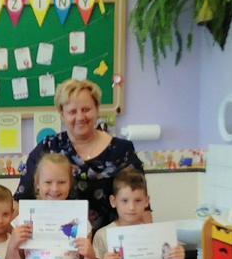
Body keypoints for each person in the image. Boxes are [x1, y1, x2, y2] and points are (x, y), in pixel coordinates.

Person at [15, 79, 144, 235]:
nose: (80, 117)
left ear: (97, 109)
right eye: (72, 112)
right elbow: (21, 203)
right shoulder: (48, 148)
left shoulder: (122, 151)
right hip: (58, 243)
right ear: (62, 114)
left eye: (86, 109)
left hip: (111, 243)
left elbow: (140, 204)